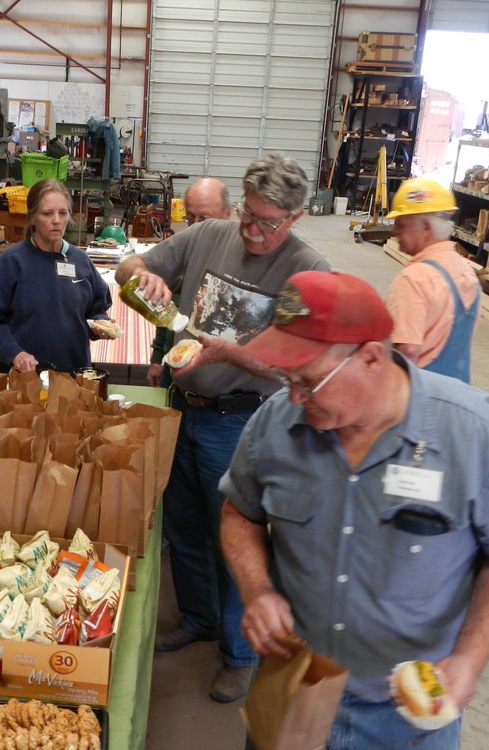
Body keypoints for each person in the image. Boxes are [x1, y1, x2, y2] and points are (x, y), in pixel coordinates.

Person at [220, 270, 489, 749]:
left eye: (307, 381)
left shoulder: (472, 435)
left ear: (371, 357)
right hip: (295, 690)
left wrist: (470, 658)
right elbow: (240, 513)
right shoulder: (277, 421)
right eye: (286, 378)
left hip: (405, 714)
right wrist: (257, 590)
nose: (293, 396)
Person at [115, 153, 330, 703]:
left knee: (237, 542)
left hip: (240, 423)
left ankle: (239, 654)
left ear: (296, 217)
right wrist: (145, 280)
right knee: (182, 524)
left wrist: (231, 355)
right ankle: (199, 619)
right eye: (249, 217)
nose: (254, 232)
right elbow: (125, 271)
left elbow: (303, 368)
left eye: (269, 223)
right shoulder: (210, 234)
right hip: (182, 406)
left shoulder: (309, 273)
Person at [0, 178, 113, 373]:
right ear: (32, 217)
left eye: (63, 213)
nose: (56, 220)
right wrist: (14, 353)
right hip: (23, 379)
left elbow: (97, 308)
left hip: (73, 376)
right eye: (47, 213)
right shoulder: (12, 263)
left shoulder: (81, 262)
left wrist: (100, 324)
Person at [384, 177, 482, 383]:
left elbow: (407, 351)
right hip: (457, 395)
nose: (394, 231)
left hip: (421, 396)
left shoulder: (415, 279)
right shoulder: (465, 271)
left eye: (401, 224)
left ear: (426, 227)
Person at [147, 177, 234, 387]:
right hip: (175, 370)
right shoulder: (184, 253)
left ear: (227, 214)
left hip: (217, 386)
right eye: (190, 219)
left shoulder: (237, 262)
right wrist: (158, 359)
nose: (196, 228)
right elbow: (167, 312)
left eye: (204, 219)